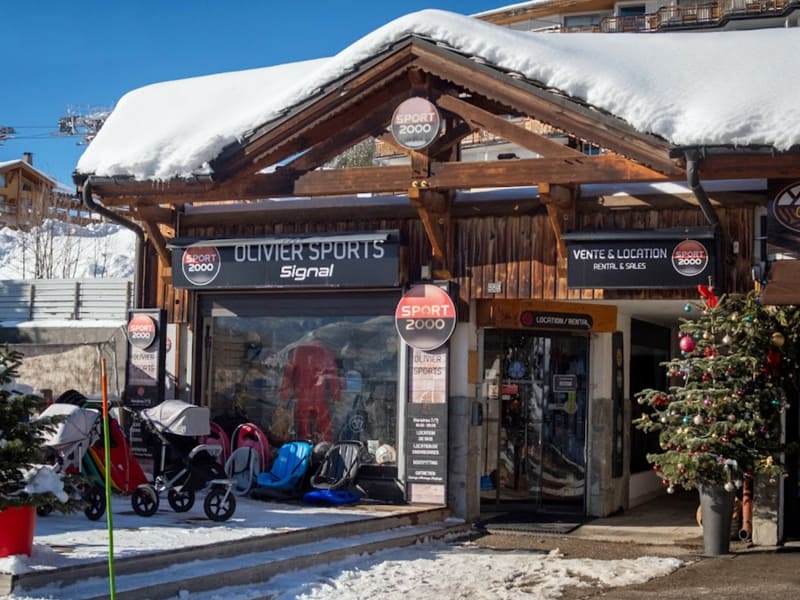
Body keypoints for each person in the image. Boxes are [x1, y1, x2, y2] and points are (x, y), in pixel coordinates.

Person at [278, 340, 340, 441]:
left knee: (303, 428)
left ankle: (304, 449)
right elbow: (333, 376)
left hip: (302, 396)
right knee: (324, 427)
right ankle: (325, 449)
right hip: (319, 397)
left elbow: (288, 375)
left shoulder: (296, 352)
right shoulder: (326, 352)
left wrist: (284, 394)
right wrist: (336, 394)